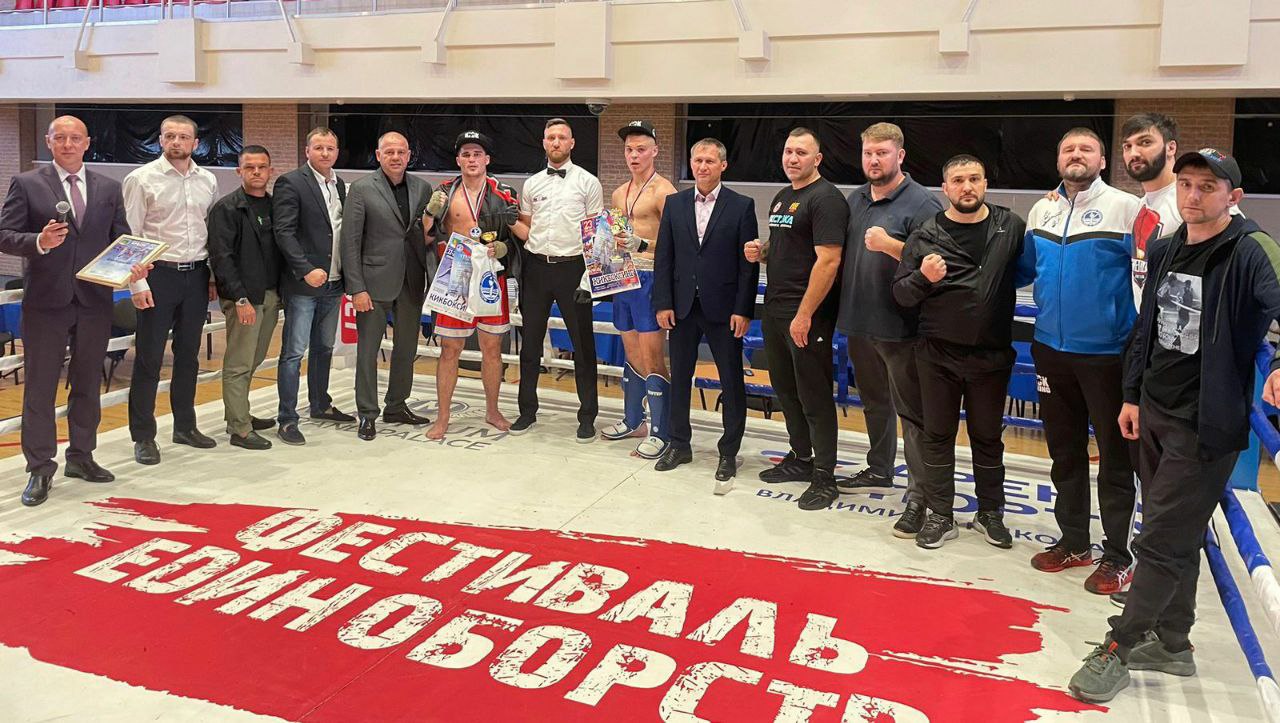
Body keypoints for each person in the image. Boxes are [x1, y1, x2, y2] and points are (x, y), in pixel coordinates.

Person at [1069, 148, 1280, 702]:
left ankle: (1120, 646)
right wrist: (1131, 395)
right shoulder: (1166, 247)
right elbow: (1147, 329)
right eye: (1186, 183)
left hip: (1204, 425)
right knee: (1177, 537)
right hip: (1155, 412)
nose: (1193, 195)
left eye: (1208, 186)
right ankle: (1173, 643)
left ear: (1233, 197)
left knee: (1160, 539)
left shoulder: (1251, 250)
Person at [1017, 127, 1142, 596]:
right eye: (1068, 148)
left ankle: (1119, 555)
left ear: (1103, 161)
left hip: (1107, 353)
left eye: (1086, 149)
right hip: (1050, 349)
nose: (1076, 154)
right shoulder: (1042, 209)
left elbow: (1146, 277)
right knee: (1065, 453)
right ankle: (1073, 542)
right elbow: (1024, 270)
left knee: (1115, 459)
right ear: (1057, 160)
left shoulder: (1127, 208)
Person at [0, 115, 147, 506]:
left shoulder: (108, 187)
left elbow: (121, 238)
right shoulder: (27, 183)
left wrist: (134, 266)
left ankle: (81, 456)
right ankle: (39, 468)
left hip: (94, 301)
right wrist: (39, 241)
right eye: (60, 137)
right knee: (40, 387)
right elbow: (5, 235)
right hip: (46, 302)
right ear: (49, 142)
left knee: (86, 383)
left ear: (87, 143)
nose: (68, 144)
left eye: (75, 138)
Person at [892, 155, 1026, 549]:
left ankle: (990, 512)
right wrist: (923, 278)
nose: (967, 186)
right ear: (945, 188)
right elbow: (901, 294)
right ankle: (940, 514)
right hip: (937, 356)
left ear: (985, 183)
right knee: (937, 436)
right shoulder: (926, 233)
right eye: (958, 180)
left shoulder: (1010, 226)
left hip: (991, 356)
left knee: (988, 437)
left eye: (974, 179)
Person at [835, 122, 943, 537]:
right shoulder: (856, 198)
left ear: (900, 155)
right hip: (859, 321)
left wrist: (891, 245)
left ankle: (919, 496)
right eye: (868, 153)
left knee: (912, 416)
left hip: (901, 327)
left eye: (882, 153)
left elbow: (934, 263)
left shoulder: (922, 202)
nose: (874, 160)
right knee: (874, 403)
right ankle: (880, 468)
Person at [746, 127, 848, 511]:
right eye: (788, 151)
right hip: (775, 308)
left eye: (801, 153)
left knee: (814, 395)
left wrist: (805, 314)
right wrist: (761, 251)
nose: (792, 158)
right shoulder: (783, 197)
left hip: (806, 313)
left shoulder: (827, 199)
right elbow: (784, 245)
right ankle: (801, 457)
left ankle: (825, 476)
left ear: (817, 159)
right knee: (786, 390)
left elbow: (829, 260)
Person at [651, 138, 760, 492]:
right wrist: (663, 302)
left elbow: (748, 265)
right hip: (682, 307)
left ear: (723, 165)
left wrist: (743, 309)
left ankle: (728, 452)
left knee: (731, 381)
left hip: (724, 310)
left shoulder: (741, 206)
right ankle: (679, 444)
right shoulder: (675, 203)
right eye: (697, 160)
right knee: (680, 377)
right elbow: (664, 257)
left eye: (710, 161)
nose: (702, 166)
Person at [124, 114, 220, 465]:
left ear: (196, 142)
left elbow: (208, 230)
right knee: (149, 358)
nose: (176, 142)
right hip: (157, 276)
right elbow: (131, 235)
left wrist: (211, 276)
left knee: (188, 355)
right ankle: (143, 436)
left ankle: (185, 426)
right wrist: (137, 284)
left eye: (183, 136)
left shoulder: (207, 179)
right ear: (160, 140)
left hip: (196, 275)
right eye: (170, 136)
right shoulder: (141, 179)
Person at [424, 130, 529, 440]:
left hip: (490, 276)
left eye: (477, 154)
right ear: (458, 160)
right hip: (454, 276)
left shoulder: (504, 193)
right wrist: (429, 213)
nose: (472, 159)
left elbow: (524, 235)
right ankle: (443, 417)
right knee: (450, 349)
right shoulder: (444, 192)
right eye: (466, 154)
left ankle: (493, 411)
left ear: (487, 159)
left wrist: (505, 248)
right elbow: (425, 236)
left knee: (492, 348)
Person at [511, 118, 604, 442]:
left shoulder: (589, 182)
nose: (556, 142)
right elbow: (526, 230)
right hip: (536, 267)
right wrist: (509, 222)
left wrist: (589, 279)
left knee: (583, 345)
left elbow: (596, 235)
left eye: (562, 137)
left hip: (573, 268)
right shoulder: (532, 184)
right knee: (530, 344)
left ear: (572, 143)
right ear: (543, 142)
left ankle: (587, 416)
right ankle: (526, 411)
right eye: (551, 137)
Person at [341, 131, 434, 441]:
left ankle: (396, 405)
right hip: (372, 283)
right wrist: (356, 288)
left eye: (401, 152)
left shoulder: (422, 188)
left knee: (406, 349)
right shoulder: (361, 188)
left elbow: (425, 234)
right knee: (368, 352)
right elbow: (350, 241)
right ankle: (367, 413)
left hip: (411, 280)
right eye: (389, 152)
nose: (396, 157)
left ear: (409, 155)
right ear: (379, 155)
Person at [271, 127, 356, 446]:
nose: (325, 153)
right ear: (307, 151)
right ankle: (287, 418)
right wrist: (305, 269)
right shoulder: (291, 182)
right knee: (294, 352)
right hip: (304, 285)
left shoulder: (340, 185)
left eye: (330, 148)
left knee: (324, 348)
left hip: (334, 283)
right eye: (318, 147)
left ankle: (320, 404)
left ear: (337, 152)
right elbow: (284, 232)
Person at [601, 120, 679, 459]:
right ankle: (635, 421)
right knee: (631, 353)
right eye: (629, 149)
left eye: (641, 149)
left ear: (654, 151)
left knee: (652, 357)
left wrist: (643, 244)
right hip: (623, 276)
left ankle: (663, 431)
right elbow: (616, 240)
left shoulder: (664, 191)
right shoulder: (619, 192)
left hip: (651, 277)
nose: (634, 155)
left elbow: (678, 241)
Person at [207, 145, 281, 451]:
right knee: (239, 362)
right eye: (250, 167)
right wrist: (239, 299)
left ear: (270, 171)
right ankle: (239, 428)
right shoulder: (226, 209)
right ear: (239, 171)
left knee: (255, 358)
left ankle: (240, 413)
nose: (256, 172)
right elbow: (222, 258)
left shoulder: (276, 206)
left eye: (262, 167)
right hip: (244, 299)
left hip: (270, 294)